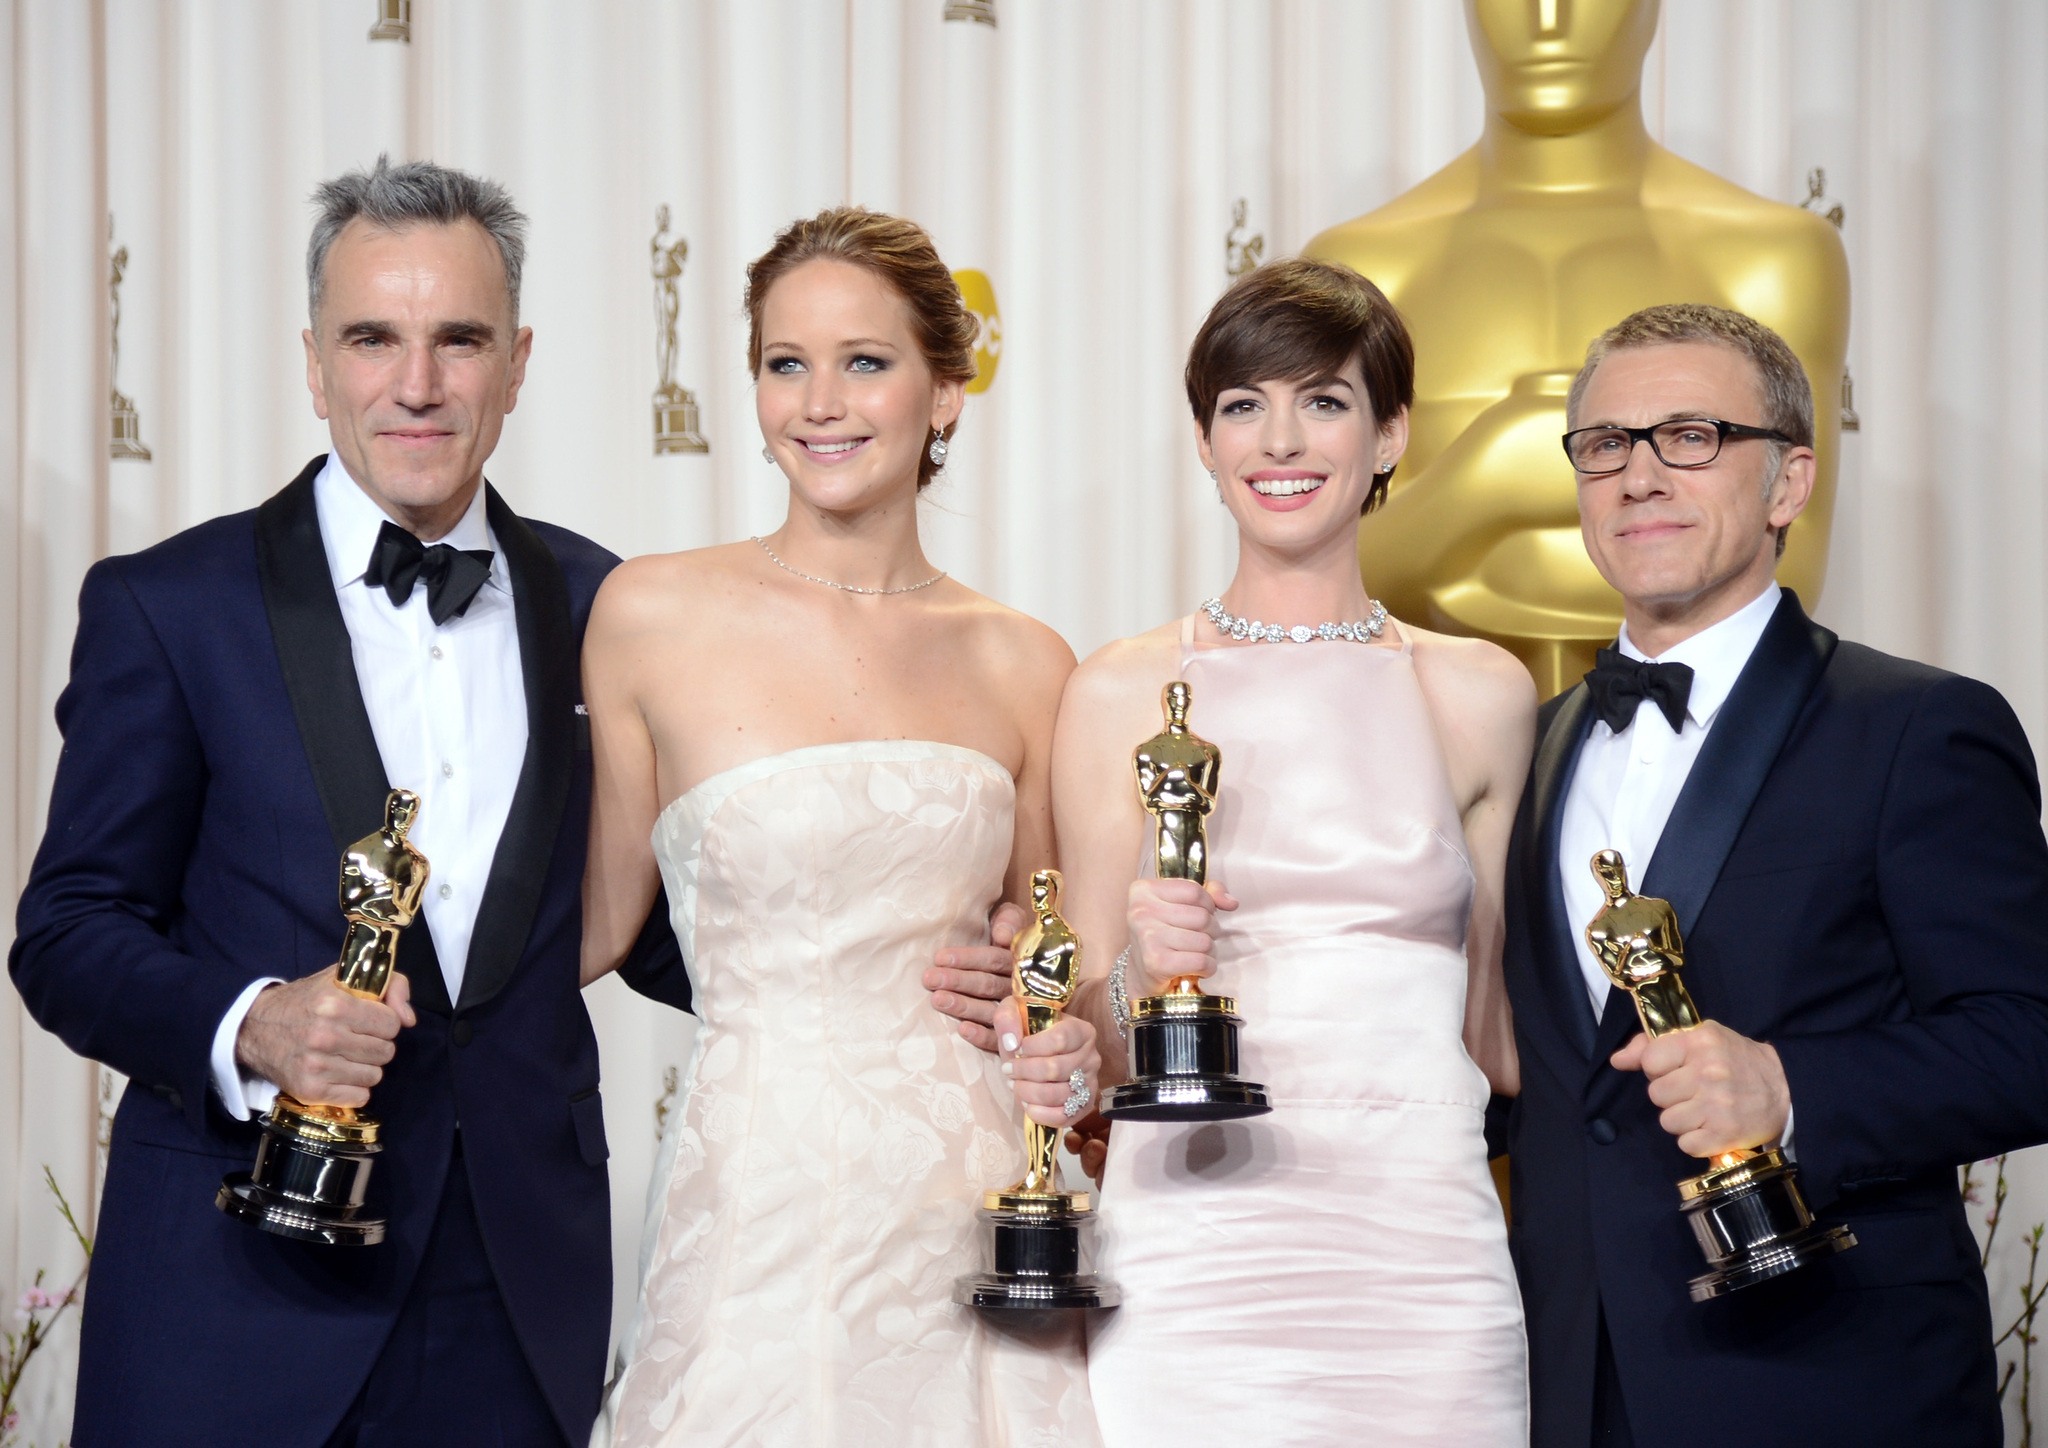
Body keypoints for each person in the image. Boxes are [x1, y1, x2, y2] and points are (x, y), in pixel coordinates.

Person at [9, 157, 689, 1447]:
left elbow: (651, 918)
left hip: (515, 1298)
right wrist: (255, 1024)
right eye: (373, 338)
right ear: (315, 363)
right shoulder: (170, 605)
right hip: (234, 1294)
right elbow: (68, 931)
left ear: (519, 359)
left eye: (459, 339)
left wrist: (891, 959)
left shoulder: (612, 606)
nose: (416, 383)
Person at [582, 206, 1100, 1446]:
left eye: (864, 361)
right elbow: (589, 924)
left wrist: (1057, 1024)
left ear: (947, 388)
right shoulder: (649, 611)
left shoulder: (1027, 659)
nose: (820, 401)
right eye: (783, 363)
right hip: (755, 1188)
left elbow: (1051, 951)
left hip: (969, 1185)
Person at [1502, 302, 2048, 1447]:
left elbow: (2026, 1036)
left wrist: (1790, 1088)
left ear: (1787, 483)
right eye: (1604, 444)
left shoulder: (1916, 726)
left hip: (1825, 1384)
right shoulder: (1531, 741)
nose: (1638, 476)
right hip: (1568, 1382)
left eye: (1689, 435)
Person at [1053, 256, 1534, 1444]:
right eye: (1241, 405)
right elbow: (1097, 1034)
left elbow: (1496, 1032)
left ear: (1387, 436)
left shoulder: (1480, 692)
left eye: (1322, 399)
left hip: (1424, 1243)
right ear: (1206, 443)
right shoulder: (1117, 688)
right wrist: (1132, 970)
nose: (1280, 438)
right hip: (1194, 1249)